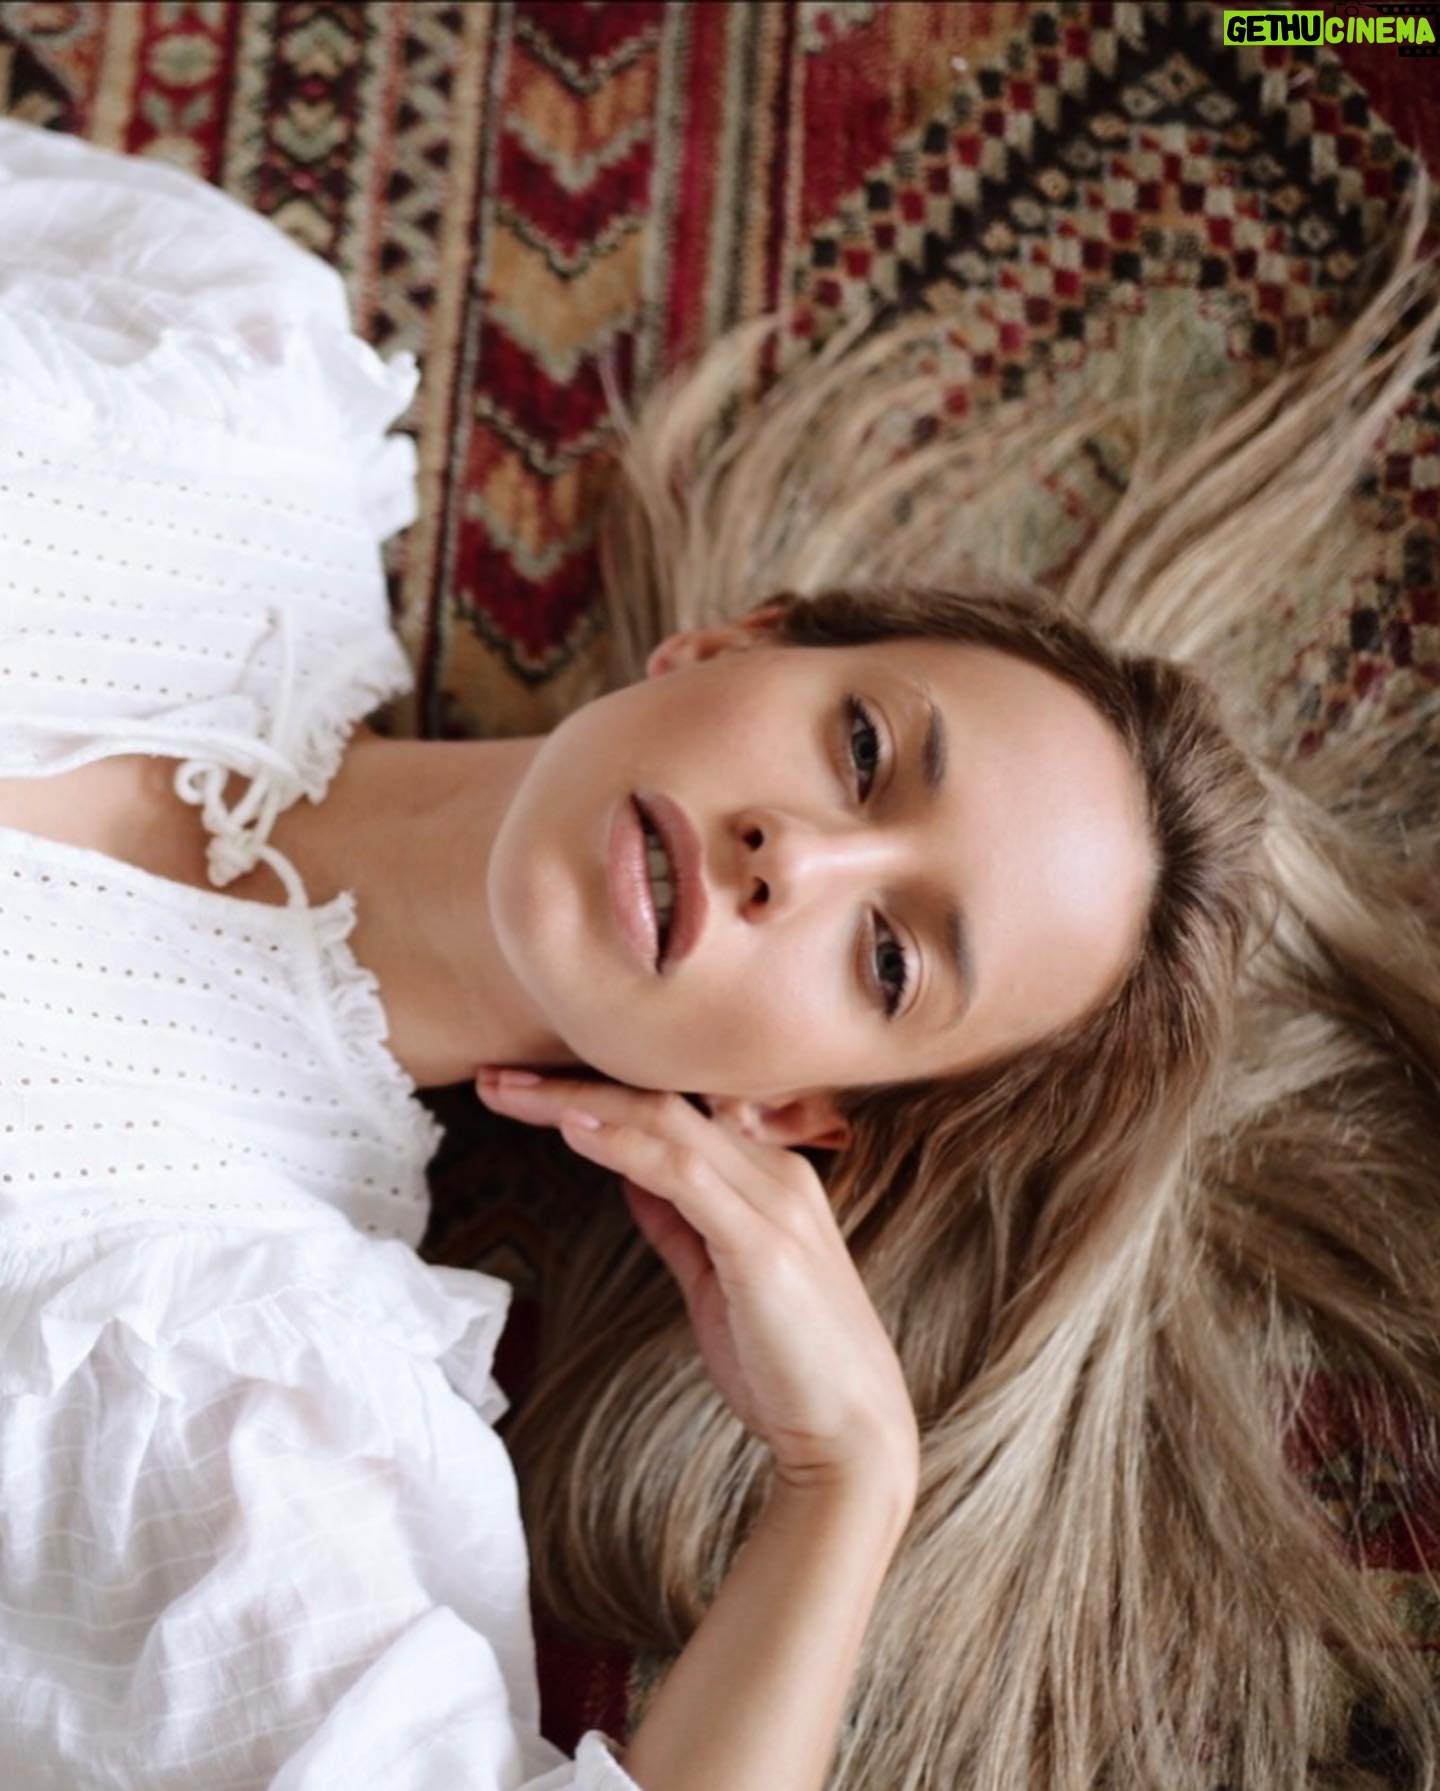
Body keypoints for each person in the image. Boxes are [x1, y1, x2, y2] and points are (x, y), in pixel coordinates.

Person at [0, 111, 1436, 1791]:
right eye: (863, 752)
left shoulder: (234, 1376)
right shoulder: (223, 390)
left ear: (795, 1116)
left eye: (888, 962)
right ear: (734, 645)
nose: (796, 858)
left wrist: (847, 1483)